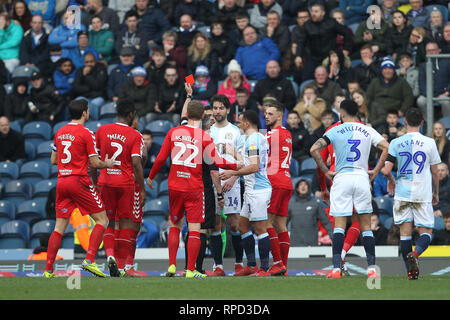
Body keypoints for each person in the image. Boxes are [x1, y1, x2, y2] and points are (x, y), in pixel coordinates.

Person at [146, 88, 239, 279]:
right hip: (194, 187)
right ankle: (190, 270)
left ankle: (172, 266)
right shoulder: (204, 136)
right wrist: (237, 164)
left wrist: (151, 177)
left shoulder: (173, 131)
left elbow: (161, 158)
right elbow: (219, 161)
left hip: (174, 185)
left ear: (187, 115)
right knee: (195, 228)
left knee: (175, 224)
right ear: (203, 115)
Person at [310, 99, 390, 279]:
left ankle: (336, 269)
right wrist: (375, 172)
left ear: (342, 113)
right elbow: (386, 146)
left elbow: (314, 149)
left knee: (339, 226)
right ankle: (371, 269)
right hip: (362, 178)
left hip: (341, 178)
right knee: (366, 226)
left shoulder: (335, 130)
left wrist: (326, 171)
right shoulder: (367, 129)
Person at [43, 99, 115, 278]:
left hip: (62, 182)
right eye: (88, 110)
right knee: (102, 220)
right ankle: (89, 260)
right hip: (79, 182)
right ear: (84, 113)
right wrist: (108, 163)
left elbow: (53, 160)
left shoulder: (59, 132)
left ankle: (48, 270)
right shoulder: (86, 133)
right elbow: (95, 163)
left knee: (59, 227)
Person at [382, 107, 441, 280]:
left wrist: (392, 181)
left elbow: (386, 171)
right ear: (422, 123)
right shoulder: (430, 142)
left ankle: (410, 272)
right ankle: (415, 255)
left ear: (405, 122)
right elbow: (436, 172)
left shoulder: (395, 143)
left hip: (402, 193)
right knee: (426, 233)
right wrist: (435, 192)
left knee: (405, 234)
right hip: (422, 193)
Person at [95, 99, 145, 277]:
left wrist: (95, 181)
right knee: (126, 223)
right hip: (125, 184)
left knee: (107, 221)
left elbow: (94, 160)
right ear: (131, 115)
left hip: (105, 182)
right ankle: (124, 266)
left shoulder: (102, 130)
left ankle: (110, 256)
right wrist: (142, 187)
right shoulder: (134, 135)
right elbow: (137, 163)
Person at [219, 110, 272, 276]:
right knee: (242, 226)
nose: (238, 124)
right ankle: (251, 265)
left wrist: (232, 173)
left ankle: (264, 268)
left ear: (247, 123)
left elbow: (255, 166)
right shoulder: (253, 139)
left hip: (258, 189)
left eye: (240, 122)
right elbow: (247, 163)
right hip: (250, 189)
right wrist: (233, 160)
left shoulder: (255, 139)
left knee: (260, 228)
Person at [207, 94, 245, 276]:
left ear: (228, 110)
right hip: (214, 181)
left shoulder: (236, 132)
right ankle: (219, 266)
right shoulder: (208, 132)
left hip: (232, 181)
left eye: (221, 108)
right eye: (215, 108)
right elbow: (206, 160)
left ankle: (239, 264)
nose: (218, 111)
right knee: (215, 224)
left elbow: (244, 161)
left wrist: (234, 178)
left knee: (234, 224)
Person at [264, 100, 293, 275]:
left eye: (270, 114)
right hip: (286, 181)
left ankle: (278, 263)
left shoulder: (270, 135)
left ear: (280, 115)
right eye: (266, 114)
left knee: (266, 223)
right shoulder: (287, 134)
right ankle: (284, 267)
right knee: (281, 226)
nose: (266, 117)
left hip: (274, 181)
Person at [294, 3, 352, 81]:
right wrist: (298, 56)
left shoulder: (331, 22)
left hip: (329, 58)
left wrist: (346, 49)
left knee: (330, 79)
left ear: (323, 13)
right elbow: (301, 41)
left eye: (316, 11)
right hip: (313, 58)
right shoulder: (307, 25)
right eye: (312, 11)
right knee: (306, 79)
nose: (313, 14)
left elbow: (347, 32)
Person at [366, 57, 415, 128]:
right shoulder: (375, 82)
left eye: (390, 69)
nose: (387, 71)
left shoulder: (401, 81)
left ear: (394, 70)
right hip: (378, 114)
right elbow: (368, 97)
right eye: (385, 69)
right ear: (382, 70)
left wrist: (402, 110)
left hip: (395, 114)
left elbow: (409, 97)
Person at [288, 178, 333, 246]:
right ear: (297, 188)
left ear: (309, 188)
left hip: (312, 243)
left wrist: (334, 238)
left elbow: (326, 223)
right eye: (301, 185)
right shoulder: (290, 205)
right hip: (295, 244)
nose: (303, 186)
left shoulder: (316, 204)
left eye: (305, 185)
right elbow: (282, 224)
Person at [417, 42, 450, 119]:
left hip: (444, 94)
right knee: (421, 101)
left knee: (445, 102)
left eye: (433, 50)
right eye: (429, 50)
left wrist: (447, 92)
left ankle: (447, 124)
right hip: (428, 95)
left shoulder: (447, 63)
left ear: (438, 51)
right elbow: (422, 84)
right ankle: (428, 123)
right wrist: (429, 95)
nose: (431, 52)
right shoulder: (423, 66)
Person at [71, 53, 107, 120]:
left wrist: (87, 76)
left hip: (98, 97)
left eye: (91, 61)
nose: (89, 64)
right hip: (85, 96)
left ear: (95, 61)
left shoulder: (101, 68)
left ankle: (94, 123)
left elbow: (98, 86)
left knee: (93, 104)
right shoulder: (80, 70)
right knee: (77, 101)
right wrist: (88, 88)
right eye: (87, 62)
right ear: (84, 62)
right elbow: (75, 88)